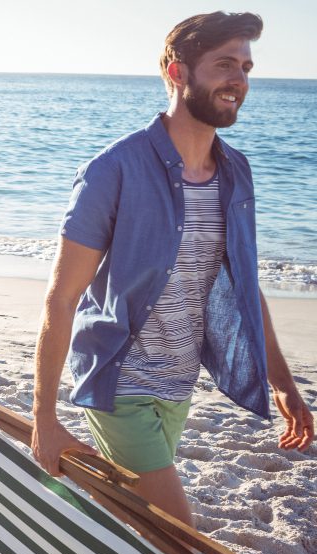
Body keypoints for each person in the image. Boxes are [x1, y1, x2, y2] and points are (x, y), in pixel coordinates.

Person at [31, 12, 313, 526]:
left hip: (179, 387)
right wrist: (44, 419)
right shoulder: (112, 170)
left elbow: (246, 288)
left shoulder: (235, 172)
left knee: (136, 526)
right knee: (177, 537)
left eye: (246, 67)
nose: (239, 80)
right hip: (120, 384)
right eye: (225, 64)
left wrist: (283, 384)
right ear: (176, 71)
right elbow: (62, 299)